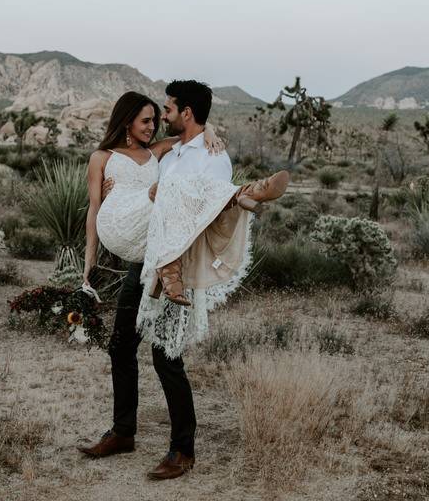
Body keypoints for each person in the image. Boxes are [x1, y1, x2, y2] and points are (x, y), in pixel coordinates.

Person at [78, 82, 289, 480]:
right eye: (152, 116)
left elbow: (201, 208)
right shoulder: (171, 151)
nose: (161, 119)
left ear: (185, 112)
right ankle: (123, 431)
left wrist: (208, 136)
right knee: (121, 346)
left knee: (166, 358)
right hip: (146, 261)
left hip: (179, 266)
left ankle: (182, 450)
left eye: (167, 110)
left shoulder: (212, 156)